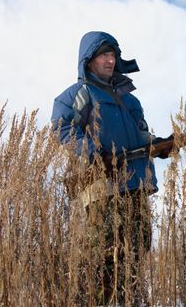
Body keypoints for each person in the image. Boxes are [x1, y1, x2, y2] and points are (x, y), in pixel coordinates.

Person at [51, 31, 161, 304]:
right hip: (103, 190)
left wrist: (160, 144)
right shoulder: (79, 94)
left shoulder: (131, 101)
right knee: (105, 258)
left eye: (113, 55)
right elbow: (62, 128)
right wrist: (94, 154)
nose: (111, 61)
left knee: (136, 253)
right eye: (104, 55)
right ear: (89, 61)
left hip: (135, 186)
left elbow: (141, 134)